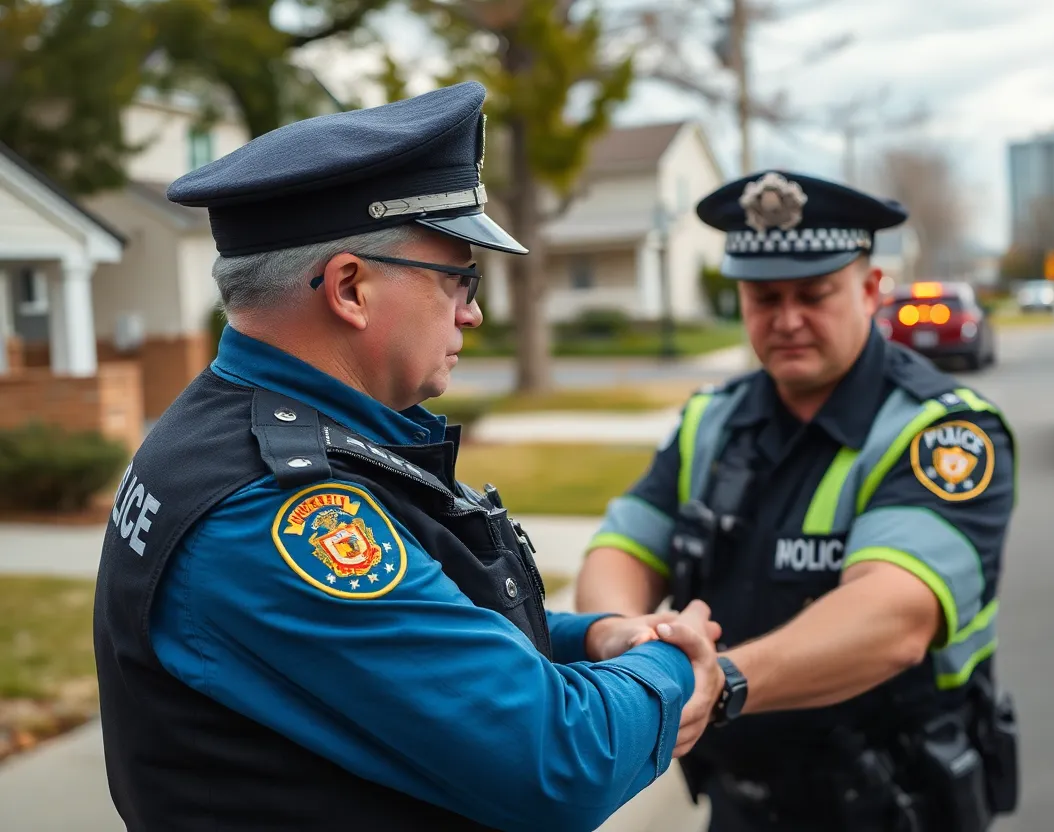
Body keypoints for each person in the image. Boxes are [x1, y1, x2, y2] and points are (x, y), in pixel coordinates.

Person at [92, 81, 728, 832]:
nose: (473, 312)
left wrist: (590, 637)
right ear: (351, 288)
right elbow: (559, 760)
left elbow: (409, 634)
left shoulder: (226, 427)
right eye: (458, 278)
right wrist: (675, 664)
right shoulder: (274, 511)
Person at [575, 170, 1022, 832]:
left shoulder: (942, 432)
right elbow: (623, 547)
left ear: (872, 290)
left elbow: (895, 617)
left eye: (813, 295)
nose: (787, 320)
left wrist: (718, 681)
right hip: (741, 804)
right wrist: (624, 635)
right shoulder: (713, 421)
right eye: (763, 297)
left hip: (891, 806)